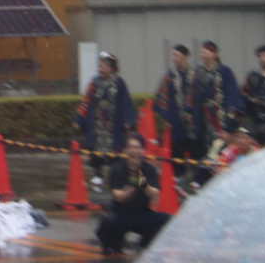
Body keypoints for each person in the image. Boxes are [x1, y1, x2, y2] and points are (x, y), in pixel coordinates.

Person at [95, 134, 170, 256]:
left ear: (143, 150)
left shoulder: (149, 169)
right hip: (121, 214)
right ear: (125, 150)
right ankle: (111, 244)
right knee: (107, 222)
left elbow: (154, 196)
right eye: (130, 147)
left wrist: (144, 184)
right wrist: (133, 185)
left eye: (137, 147)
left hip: (142, 214)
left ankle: (147, 242)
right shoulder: (116, 169)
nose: (134, 151)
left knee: (167, 219)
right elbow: (119, 197)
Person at [74, 52, 135, 190]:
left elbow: (125, 102)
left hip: (113, 124)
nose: (100, 69)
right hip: (97, 124)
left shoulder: (119, 83)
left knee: (115, 150)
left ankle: (116, 174)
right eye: (99, 66)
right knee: (96, 150)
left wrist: (128, 120)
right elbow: (86, 101)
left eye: (103, 66)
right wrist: (79, 118)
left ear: (111, 68)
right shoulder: (94, 82)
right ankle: (98, 174)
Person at [154, 44, 199, 180]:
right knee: (177, 149)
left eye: (177, 55)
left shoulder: (196, 75)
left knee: (196, 149)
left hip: (194, 121)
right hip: (176, 120)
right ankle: (178, 176)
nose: (174, 58)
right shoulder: (170, 76)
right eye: (173, 55)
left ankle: (196, 177)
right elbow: (161, 97)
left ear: (186, 57)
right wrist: (166, 117)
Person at [193, 41, 242, 155]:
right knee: (204, 143)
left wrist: (230, 117)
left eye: (206, 52)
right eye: (202, 53)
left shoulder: (224, 71)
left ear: (215, 54)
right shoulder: (198, 72)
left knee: (221, 143)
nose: (203, 55)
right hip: (203, 114)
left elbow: (232, 94)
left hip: (220, 114)